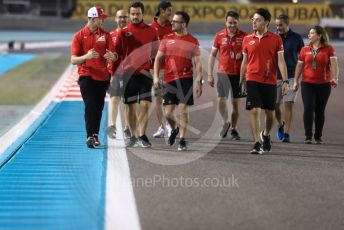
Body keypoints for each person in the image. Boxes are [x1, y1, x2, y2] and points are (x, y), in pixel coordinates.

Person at [240, 8, 289, 154]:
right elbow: (244, 62)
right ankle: (256, 143)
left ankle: (266, 134)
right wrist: (241, 79)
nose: (254, 22)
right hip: (252, 78)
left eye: (258, 19)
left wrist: (285, 81)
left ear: (266, 22)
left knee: (270, 114)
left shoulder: (276, 39)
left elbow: (281, 61)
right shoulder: (247, 39)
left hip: (269, 80)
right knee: (254, 110)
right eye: (253, 20)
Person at [153, 11, 203, 151]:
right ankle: (174, 129)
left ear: (184, 24)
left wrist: (199, 81)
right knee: (168, 114)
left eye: (175, 21)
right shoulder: (167, 38)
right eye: (172, 20)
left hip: (186, 79)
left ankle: (182, 139)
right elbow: (158, 59)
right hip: (169, 79)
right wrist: (156, 77)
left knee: (183, 109)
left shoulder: (192, 41)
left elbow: (198, 63)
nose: (172, 23)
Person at [71, 6, 117, 148]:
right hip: (86, 75)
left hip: (103, 77)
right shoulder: (79, 36)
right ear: (91, 19)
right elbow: (73, 60)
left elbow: (114, 55)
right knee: (90, 105)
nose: (103, 21)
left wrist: (113, 57)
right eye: (100, 19)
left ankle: (95, 134)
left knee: (98, 107)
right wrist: (87, 56)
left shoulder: (106, 35)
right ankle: (90, 136)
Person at [115, 1, 158, 148]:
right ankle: (133, 135)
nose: (135, 16)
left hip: (146, 73)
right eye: (132, 14)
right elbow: (117, 54)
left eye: (137, 13)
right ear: (129, 15)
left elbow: (156, 54)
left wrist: (156, 73)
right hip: (128, 74)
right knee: (130, 106)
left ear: (142, 14)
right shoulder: (123, 32)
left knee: (145, 105)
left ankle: (142, 135)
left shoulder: (152, 31)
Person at [293, 25, 339, 144]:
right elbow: (299, 66)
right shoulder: (304, 49)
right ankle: (308, 136)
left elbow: (334, 64)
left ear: (319, 35)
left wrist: (335, 78)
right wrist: (295, 81)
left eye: (312, 33)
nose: (309, 35)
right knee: (308, 108)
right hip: (307, 84)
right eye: (309, 33)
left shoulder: (328, 49)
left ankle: (318, 136)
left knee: (319, 110)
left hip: (323, 84)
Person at [208, 10, 247, 140]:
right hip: (223, 73)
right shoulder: (219, 35)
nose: (232, 25)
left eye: (234, 23)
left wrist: (242, 55)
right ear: (225, 22)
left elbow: (250, 55)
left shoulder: (244, 36)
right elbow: (212, 55)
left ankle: (234, 129)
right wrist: (209, 74)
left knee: (235, 103)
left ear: (238, 22)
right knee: (221, 99)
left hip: (238, 74)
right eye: (229, 22)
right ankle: (226, 122)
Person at [274, 14, 304, 143]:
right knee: (274, 106)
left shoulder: (296, 38)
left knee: (288, 104)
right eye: (276, 25)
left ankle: (286, 133)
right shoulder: (273, 37)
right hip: (275, 76)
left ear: (287, 24)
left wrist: (299, 76)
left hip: (291, 75)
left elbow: (303, 56)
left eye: (281, 25)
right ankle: (281, 123)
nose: (278, 27)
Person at [150, 0, 173, 139]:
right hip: (155, 68)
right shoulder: (150, 27)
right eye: (169, 10)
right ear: (162, 11)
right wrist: (153, 72)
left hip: (170, 68)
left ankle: (170, 125)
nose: (171, 13)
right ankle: (162, 127)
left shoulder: (173, 27)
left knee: (169, 98)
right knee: (158, 98)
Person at [107, 9, 131, 140]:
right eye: (120, 17)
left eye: (124, 17)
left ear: (128, 19)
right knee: (114, 99)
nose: (122, 19)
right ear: (115, 19)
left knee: (128, 102)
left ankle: (127, 128)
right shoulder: (110, 35)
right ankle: (112, 126)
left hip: (130, 73)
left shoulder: (133, 35)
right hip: (115, 74)